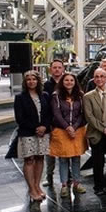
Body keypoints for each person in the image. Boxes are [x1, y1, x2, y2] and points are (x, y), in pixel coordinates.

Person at [13, 70, 51, 202]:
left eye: (34, 79)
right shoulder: (20, 98)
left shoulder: (45, 95)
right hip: (28, 133)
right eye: (28, 79)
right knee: (29, 160)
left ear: (38, 81)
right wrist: (36, 128)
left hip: (43, 133)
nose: (31, 81)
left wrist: (44, 127)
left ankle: (37, 186)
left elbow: (49, 115)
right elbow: (20, 118)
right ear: (25, 82)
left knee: (40, 158)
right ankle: (31, 189)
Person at [49, 73, 88, 198]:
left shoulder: (81, 95)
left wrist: (74, 127)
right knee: (63, 159)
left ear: (75, 82)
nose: (69, 82)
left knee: (76, 158)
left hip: (77, 130)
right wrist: (67, 127)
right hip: (61, 131)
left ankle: (77, 183)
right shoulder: (56, 96)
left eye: (72, 80)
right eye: (66, 80)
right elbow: (56, 113)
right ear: (62, 81)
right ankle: (64, 185)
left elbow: (83, 113)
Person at [43, 59, 65, 187]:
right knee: (50, 152)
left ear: (63, 69)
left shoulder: (67, 83)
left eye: (59, 67)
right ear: (51, 69)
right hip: (51, 123)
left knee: (65, 151)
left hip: (65, 123)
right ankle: (49, 176)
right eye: (54, 67)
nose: (57, 70)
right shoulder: (46, 85)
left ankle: (67, 176)